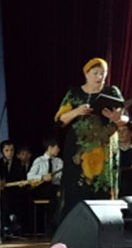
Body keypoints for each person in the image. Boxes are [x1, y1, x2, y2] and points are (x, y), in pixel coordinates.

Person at [54, 58, 126, 219]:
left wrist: (117, 118)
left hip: (104, 154)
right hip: (78, 153)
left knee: (103, 192)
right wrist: (77, 111)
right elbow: (60, 120)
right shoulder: (74, 93)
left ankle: (106, 225)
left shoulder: (112, 92)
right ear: (86, 74)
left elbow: (126, 119)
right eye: (96, 73)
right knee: (76, 191)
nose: (100, 77)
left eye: (103, 73)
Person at [0, 140, 27, 236]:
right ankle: (6, 224)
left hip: (15, 191)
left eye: (12, 150)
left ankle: (15, 222)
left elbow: (23, 178)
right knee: (3, 197)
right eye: (7, 150)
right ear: (2, 152)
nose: (9, 153)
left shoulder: (18, 163)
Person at [27, 138, 63, 231]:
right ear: (50, 148)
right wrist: (42, 177)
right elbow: (30, 176)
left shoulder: (59, 161)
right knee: (56, 193)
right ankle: (52, 224)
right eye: (57, 148)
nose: (58, 150)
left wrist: (54, 177)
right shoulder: (39, 160)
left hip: (55, 188)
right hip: (42, 189)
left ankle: (54, 223)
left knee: (58, 195)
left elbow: (61, 176)